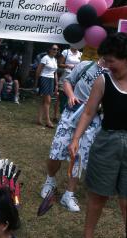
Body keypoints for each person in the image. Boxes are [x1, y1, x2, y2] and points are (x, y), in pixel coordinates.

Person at [68, 33, 127, 238]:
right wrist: (75, 139)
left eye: (112, 60)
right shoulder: (103, 80)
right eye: (105, 60)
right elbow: (89, 112)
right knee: (97, 196)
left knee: (125, 202)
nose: (107, 64)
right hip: (107, 142)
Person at [40, 59, 105, 212]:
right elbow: (68, 81)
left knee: (79, 157)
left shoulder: (114, 74)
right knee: (56, 152)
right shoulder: (86, 65)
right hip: (71, 113)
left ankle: (69, 194)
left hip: (93, 119)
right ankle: (50, 181)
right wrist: (70, 95)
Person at [54, 46, 82, 121]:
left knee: (72, 97)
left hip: (76, 77)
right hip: (66, 75)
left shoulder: (80, 54)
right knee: (61, 96)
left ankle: (66, 115)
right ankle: (55, 116)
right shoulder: (66, 52)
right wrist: (68, 66)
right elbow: (59, 64)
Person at [35, 44, 59, 128]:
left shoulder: (55, 60)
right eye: (54, 49)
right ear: (49, 49)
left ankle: (39, 119)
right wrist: (37, 82)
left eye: (57, 49)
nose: (55, 51)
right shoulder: (45, 58)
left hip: (51, 79)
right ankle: (48, 120)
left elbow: (55, 73)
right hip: (44, 78)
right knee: (48, 100)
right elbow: (38, 70)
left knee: (44, 100)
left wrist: (56, 84)